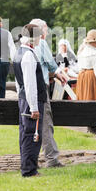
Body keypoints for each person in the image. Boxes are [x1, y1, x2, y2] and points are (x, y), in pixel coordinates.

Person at [29, 18, 66, 168]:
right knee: (45, 122)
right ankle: (52, 159)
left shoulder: (24, 46)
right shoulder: (41, 44)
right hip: (41, 87)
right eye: (45, 29)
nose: (47, 32)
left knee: (31, 124)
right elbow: (50, 64)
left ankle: (31, 158)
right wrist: (58, 73)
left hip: (28, 88)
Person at [13, 24, 46, 177]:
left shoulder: (20, 51)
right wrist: (33, 107)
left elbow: (19, 82)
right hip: (31, 100)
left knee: (26, 133)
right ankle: (29, 170)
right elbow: (30, 84)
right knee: (32, 134)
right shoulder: (28, 55)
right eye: (39, 36)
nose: (41, 39)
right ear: (35, 38)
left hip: (24, 98)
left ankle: (28, 167)